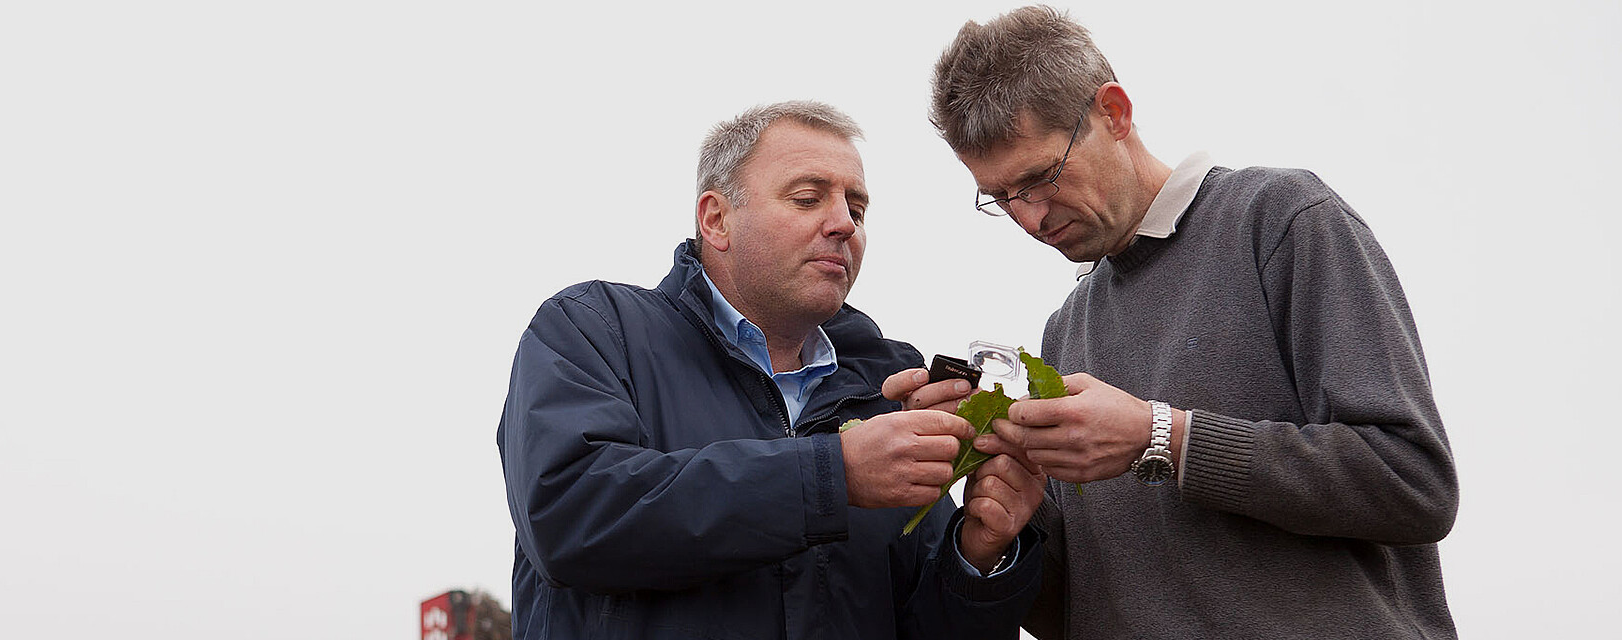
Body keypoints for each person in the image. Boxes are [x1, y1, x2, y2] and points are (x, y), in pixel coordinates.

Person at [905, 6, 1461, 638]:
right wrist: (1003, 524)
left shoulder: (1281, 221)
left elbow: (1412, 481)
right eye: (1000, 198)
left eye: (1041, 179)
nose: (1030, 219)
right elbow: (1084, 611)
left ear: (1112, 112)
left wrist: (1161, 438)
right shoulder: (1065, 331)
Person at [496, 100, 1046, 640]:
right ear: (716, 220)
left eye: (857, 210)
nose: (843, 225)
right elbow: (570, 514)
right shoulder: (593, 328)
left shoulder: (886, 391)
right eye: (808, 199)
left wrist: (977, 553)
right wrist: (834, 475)